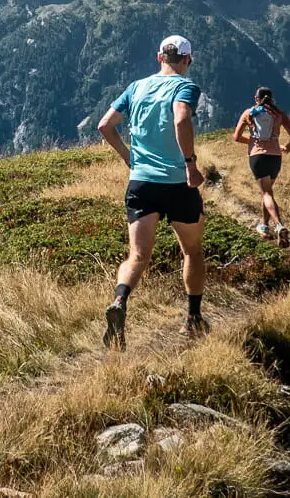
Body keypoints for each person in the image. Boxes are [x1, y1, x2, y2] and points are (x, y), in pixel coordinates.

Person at [96, 35, 207, 350]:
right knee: (192, 250)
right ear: (188, 60)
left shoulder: (136, 87)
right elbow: (182, 117)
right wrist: (190, 164)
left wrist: (128, 156)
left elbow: (105, 125)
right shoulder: (185, 87)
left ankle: (119, 301)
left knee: (137, 255)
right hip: (177, 184)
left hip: (140, 183)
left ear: (160, 57)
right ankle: (193, 319)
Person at [233, 86, 290, 248]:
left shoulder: (249, 113)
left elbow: (236, 137)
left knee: (266, 193)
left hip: (257, 157)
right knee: (267, 192)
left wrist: (252, 141)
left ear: (256, 99)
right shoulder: (279, 114)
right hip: (275, 157)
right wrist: (286, 148)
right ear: (271, 98)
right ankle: (264, 226)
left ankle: (279, 225)